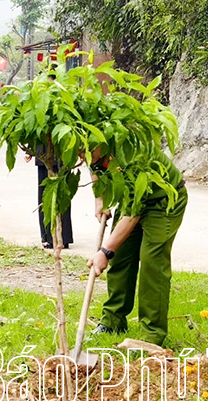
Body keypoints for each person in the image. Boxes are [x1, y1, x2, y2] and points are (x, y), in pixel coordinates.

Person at [87, 148, 188, 346]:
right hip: (131, 199)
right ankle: (113, 321)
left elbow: (133, 212)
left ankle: (151, 334)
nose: (82, 155)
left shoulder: (132, 153)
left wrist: (105, 252)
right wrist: (100, 200)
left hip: (164, 200)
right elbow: (94, 165)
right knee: (121, 257)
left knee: (152, 263)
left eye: (86, 151)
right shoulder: (95, 142)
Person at [26, 149, 74, 249]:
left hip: (61, 154)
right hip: (46, 154)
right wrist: (30, 150)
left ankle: (60, 238)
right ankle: (51, 237)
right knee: (47, 197)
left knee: (61, 195)